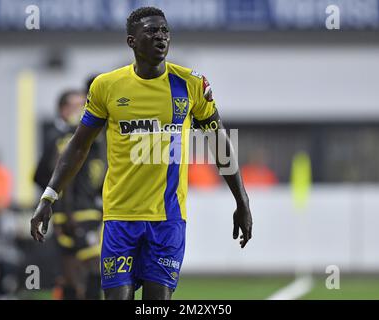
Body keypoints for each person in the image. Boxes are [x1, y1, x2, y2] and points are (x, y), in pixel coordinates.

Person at [31, 6, 252, 300]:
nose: (160, 37)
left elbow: (218, 141)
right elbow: (78, 145)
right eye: (151, 31)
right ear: (131, 41)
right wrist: (49, 196)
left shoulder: (191, 84)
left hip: (167, 220)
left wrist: (242, 200)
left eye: (164, 31)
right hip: (120, 219)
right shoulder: (106, 87)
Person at [34, 90, 105, 299]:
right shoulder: (65, 140)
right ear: (64, 110)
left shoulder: (93, 138)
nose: (84, 109)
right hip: (76, 215)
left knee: (82, 272)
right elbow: (48, 176)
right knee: (88, 271)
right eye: (78, 105)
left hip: (88, 211)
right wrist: (61, 203)